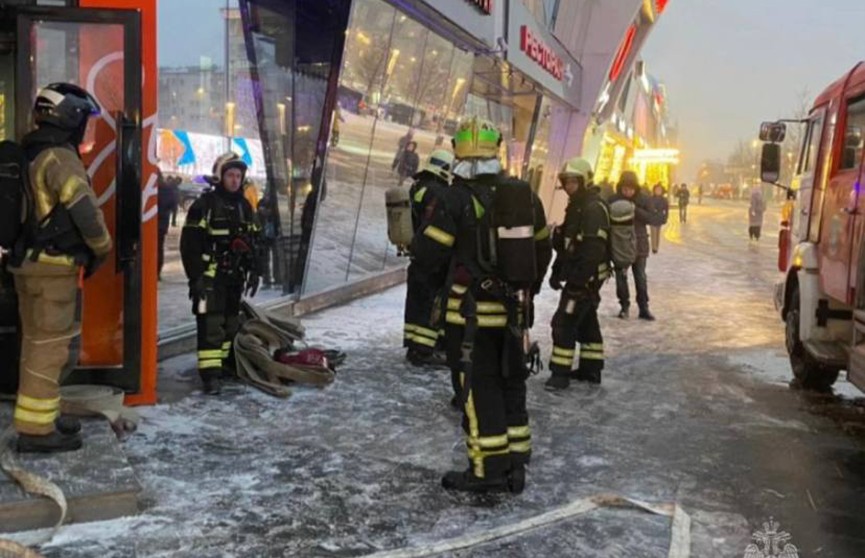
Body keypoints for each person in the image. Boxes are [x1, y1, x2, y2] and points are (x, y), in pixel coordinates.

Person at [412, 117, 551, 494]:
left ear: (459, 152)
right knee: (511, 381)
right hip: (512, 314)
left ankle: (486, 471)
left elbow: (429, 256)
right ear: (496, 150)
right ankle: (515, 462)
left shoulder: (454, 198)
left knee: (476, 389)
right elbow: (542, 248)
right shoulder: (523, 196)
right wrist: (526, 292)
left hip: (468, 316)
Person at [11, 83, 112, 453]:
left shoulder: (29, 150)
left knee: (37, 343)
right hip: (53, 268)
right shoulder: (59, 157)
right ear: (69, 117)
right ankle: (36, 432)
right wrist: (103, 246)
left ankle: (43, 416)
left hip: (30, 265)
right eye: (83, 119)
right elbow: (83, 208)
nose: (85, 127)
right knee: (51, 348)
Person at [181, 152, 263, 395]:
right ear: (220, 176)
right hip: (209, 278)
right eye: (230, 175)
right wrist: (195, 277)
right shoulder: (204, 206)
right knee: (211, 326)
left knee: (230, 324)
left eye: (239, 176)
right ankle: (210, 376)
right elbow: (189, 245)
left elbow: (255, 240)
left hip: (234, 277)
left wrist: (256, 270)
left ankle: (224, 366)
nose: (235, 180)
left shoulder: (245, 207)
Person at [545, 158, 611, 390]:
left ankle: (559, 375)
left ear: (585, 181)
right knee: (587, 323)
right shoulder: (577, 206)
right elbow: (568, 245)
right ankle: (591, 370)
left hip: (585, 280)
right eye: (566, 182)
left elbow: (592, 251)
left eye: (573, 181)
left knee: (563, 323)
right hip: (580, 278)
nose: (569, 186)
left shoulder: (593, 209)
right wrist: (556, 272)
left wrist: (577, 282)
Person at [404, 148, 454, 366]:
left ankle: (412, 345)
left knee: (415, 301)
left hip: (416, 253)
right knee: (429, 302)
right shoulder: (439, 192)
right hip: (432, 259)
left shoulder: (418, 186)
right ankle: (423, 350)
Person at [611, 171, 655, 321]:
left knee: (640, 277)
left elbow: (651, 218)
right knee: (621, 277)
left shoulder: (644, 199)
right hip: (620, 246)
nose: (627, 191)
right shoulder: (614, 200)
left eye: (630, 188)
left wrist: (634, 208)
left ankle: (644, 307)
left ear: (636, 188)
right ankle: (624, 305)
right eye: (624, 188)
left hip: (639, 244)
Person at [157, 171, 179, 280]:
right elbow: (173, 204)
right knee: (159, 248)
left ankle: (154, 272)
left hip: (156, 223)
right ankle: (157, 272)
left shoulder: (154, 190)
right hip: (162, 223)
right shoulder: (168, 190)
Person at [649, 183, 669, 254]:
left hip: (659, 217)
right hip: (652, 217)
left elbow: (666, 209)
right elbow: (648, 207)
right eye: (657, 190)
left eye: (659, 190)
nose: (658, 191)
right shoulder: (650, 199)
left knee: (658, 233)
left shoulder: (664, 200)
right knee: (653, 233)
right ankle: (654, 247)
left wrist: (665, 217)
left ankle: (657, 246)